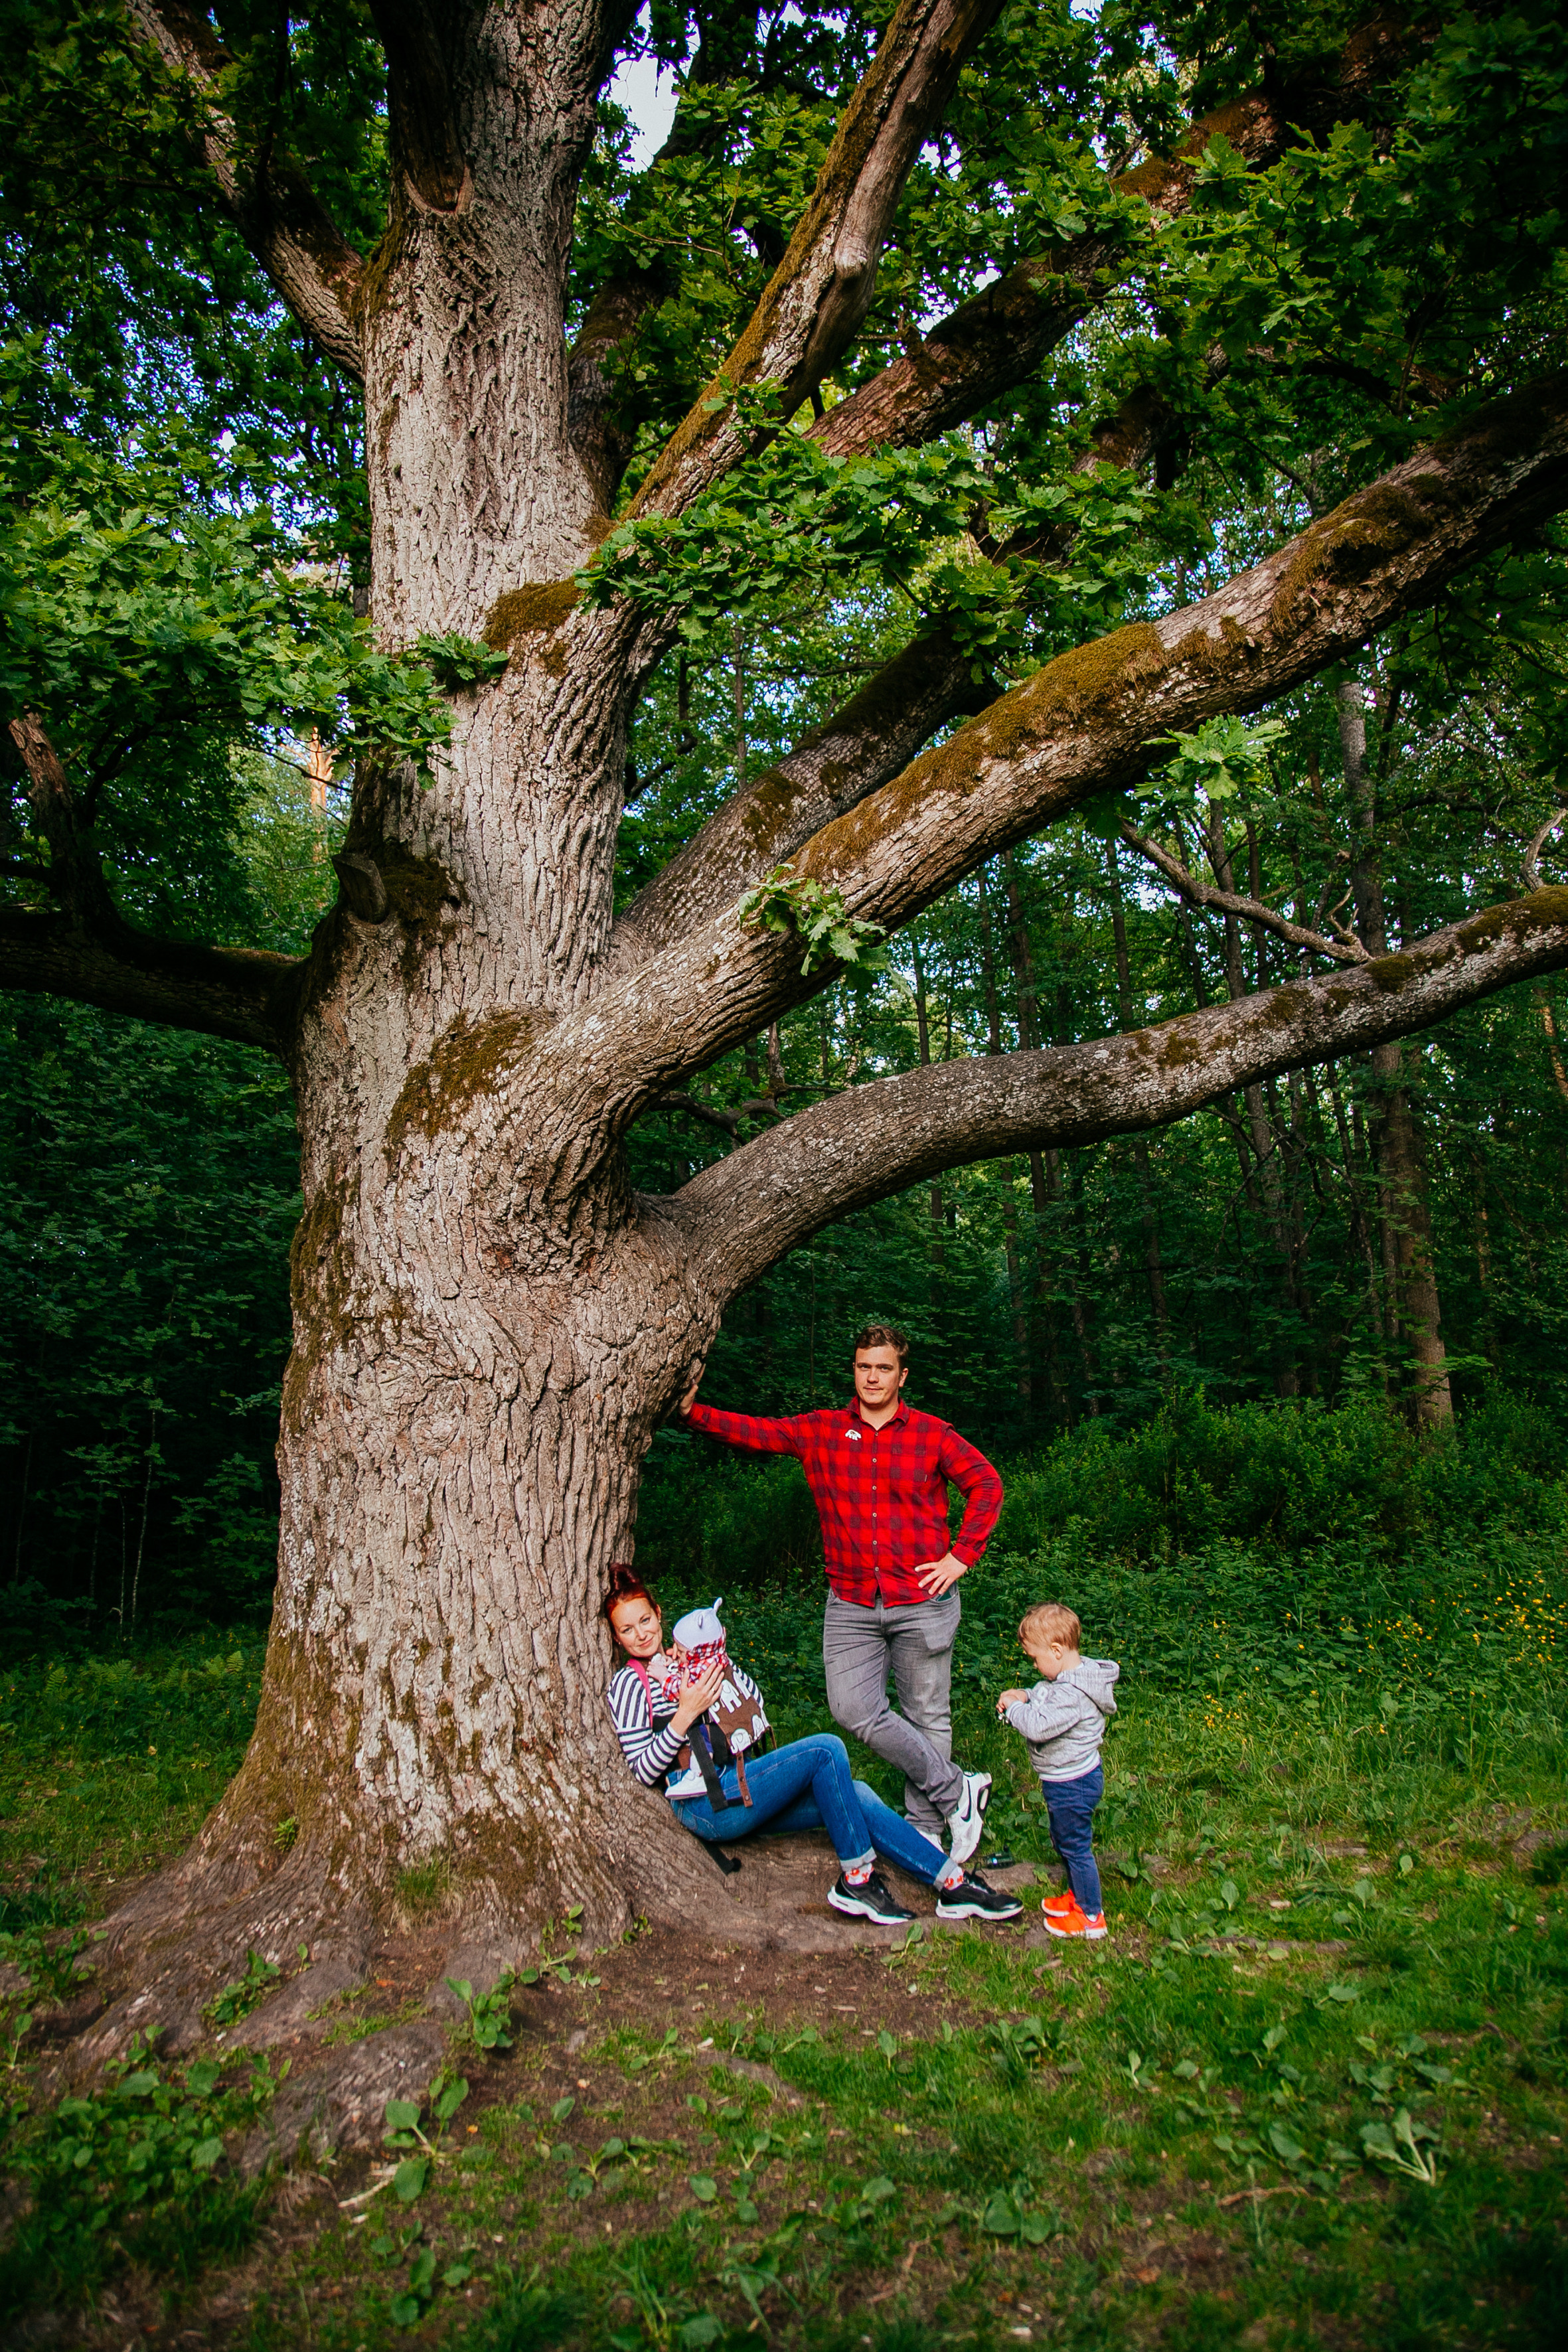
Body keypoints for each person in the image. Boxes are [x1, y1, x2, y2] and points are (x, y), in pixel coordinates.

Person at [678, 1324, 1001, 1865]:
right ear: (854, 1370)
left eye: (883, 1367)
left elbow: (986, 1484)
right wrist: (691, 1413)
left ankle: (926, 1829)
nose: (872, 1377)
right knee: (852, 1707)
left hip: (921, 1597)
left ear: (903, 1374)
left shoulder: (932, 1434)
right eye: (863, 1366)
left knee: (927, 1713)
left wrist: (961, 1556)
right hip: (851, 1601)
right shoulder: (823, 1430)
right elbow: (755, 1432)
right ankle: (957, 1790)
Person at [603, 1566, 1021, 1924]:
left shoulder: (692, 1660)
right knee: (825, 1750)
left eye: (645, 1621)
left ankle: (953, 1883)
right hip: (706, 1806)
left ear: (659, 1615)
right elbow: (642, 1770)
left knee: (855, 1793)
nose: (641, 1634)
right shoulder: (628, 1685)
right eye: (627, 1629)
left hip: (746, 1787)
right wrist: (684, 1713)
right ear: (617, 1639)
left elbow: (755, 1711)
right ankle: (857, 1880)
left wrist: (719, 1669)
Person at [996, 1601, 1119, 1942]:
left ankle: (1091, 1915)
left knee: (1076, 1847)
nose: (1035, 1666)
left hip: (1073, 1783)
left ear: (1056, 1650)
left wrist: (1016, 1708)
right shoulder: (1071, 1677)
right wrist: (1025, 1693)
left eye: (1036, 1660)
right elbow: (1046, 1693)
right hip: (1068, 1780)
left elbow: (1038, 1725)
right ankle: (1076, 1896)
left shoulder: (1073, 1694)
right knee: (1063, 1841)